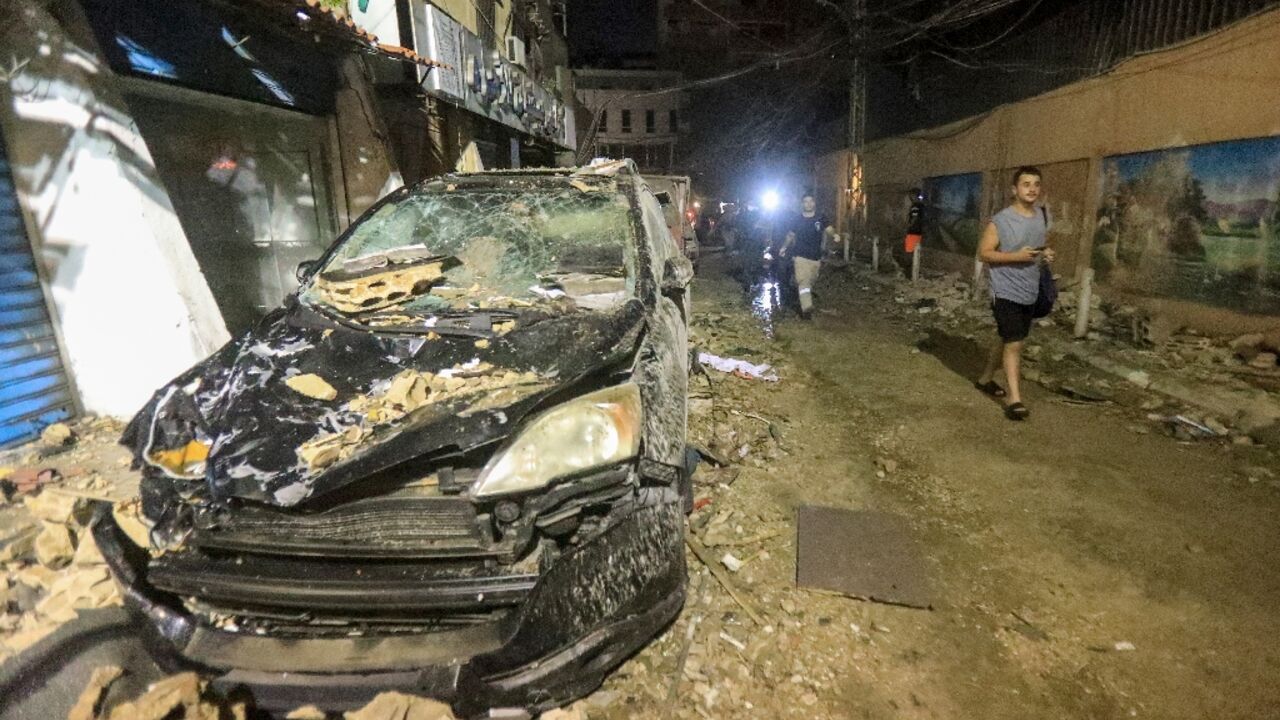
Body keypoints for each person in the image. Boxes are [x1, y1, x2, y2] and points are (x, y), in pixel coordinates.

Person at [975, 167, 1055, 420]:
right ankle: (1015, 399)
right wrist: (1016, 257)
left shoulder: (1041, 216)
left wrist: (1046, 254)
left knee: (1007, 336)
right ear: (1014, 190)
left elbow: (1039, 247)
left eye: (1036, 184)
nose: (1032, 188)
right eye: (1025, 184)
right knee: (1015, 343)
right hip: (1005, 289)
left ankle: (986, 379)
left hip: (1029, 289)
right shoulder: (1001, 220)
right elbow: (984, 253)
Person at [778, 193, 835, 319]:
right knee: (803, 281)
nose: (808, 204)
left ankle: (805, 299)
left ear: (814, 203)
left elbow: (829, 229)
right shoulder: (797, 219)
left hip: (815, 257)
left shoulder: (821, 218)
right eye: (806, 201)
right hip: (800, 256)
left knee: (811, 280)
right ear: (802, 204)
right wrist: (784, 247)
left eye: (811, 201)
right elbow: (790, 235)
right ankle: (806, 308)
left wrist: (835, 235)